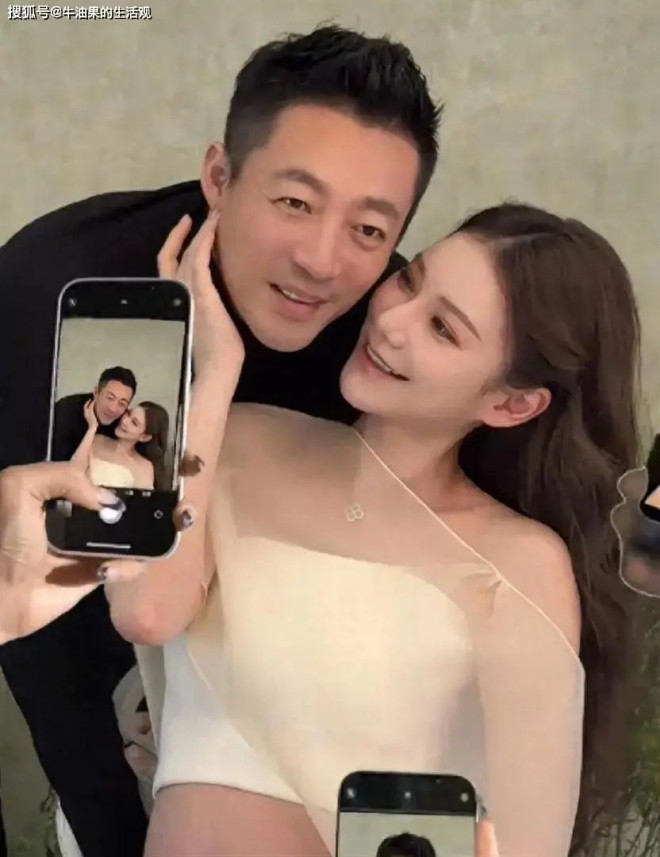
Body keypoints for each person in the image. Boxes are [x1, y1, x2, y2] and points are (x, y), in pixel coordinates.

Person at [0, 25, 439, 855]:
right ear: (220, 177)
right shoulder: (62, 292)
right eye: (295, 202)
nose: (322, 261)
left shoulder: (387, 338)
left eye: (369, 229)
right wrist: (116, 827)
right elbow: (44, 632)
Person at [92, 198, 639, 856]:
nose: (392, 321)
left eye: (443, 329)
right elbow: (147, 609)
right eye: (410, 280)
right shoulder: (232, 440)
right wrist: (214, 371)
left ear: (512, 403)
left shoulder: (516, 560)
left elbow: (527, 844)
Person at [72, 398, 169, 490]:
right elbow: (72, 472)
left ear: (144, 437)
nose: (125, 421)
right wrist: (92, 428)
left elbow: (140, 500)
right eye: (128, 413)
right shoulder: (95, 440)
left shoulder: (145, 467)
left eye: (134, 423)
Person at [52, 366, 137, 461]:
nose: (113, 409)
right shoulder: (67, 410)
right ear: (96, 392)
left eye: (122, 404)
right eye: (110, 398)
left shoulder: (123, 424)